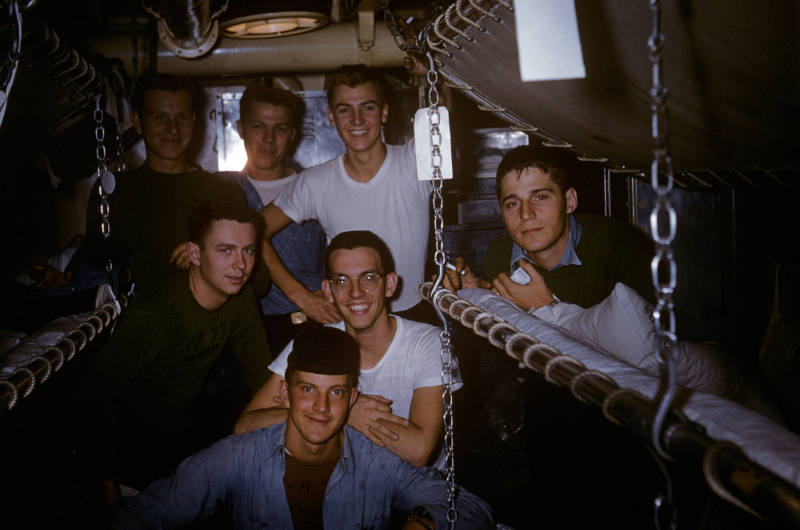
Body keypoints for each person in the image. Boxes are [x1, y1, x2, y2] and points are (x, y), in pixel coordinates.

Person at [107, 326, 494, 530]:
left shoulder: (376, 462)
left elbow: (472, 509)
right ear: (285, 393)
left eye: (336, 392)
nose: (322, 408)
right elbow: (142, 515)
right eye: (308, 389)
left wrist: (422, 525)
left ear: (352, 399)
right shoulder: (237, 458)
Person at [72, 198, 271, 501]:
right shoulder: (156, 315)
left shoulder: (238, 296)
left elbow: (260, 372)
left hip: (183, 442)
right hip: (128, 456)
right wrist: (110, 495)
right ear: (194, 253)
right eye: (226, 250)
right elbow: (94, 400)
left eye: (248, 251)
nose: (241, 265)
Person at [235, 230, 461, 469]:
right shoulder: (314, 341)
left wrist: (317, 415)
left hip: (416, 491)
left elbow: (418, 452)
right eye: (341, 281)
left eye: (369, 278)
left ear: (390, 284)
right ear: (328, 290)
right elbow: (245, 427)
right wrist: (345, 413)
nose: (355, 292)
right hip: (345, 486)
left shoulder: (429, 343)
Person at [258, 64, 435, 325]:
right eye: (345, 110)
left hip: (415, 317)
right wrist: (304, 298)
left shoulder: (414, 163)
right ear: (331, 116)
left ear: (384, 111)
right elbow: (253, 232)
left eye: (367, 107)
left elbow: (441, 117)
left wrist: (431, 74)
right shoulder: (316, 182)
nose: (357, 120)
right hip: (351, 321)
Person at [445, 144, 655, 310]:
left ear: (570, 201)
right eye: (513, 203)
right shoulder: (499, 257)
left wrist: (549, 307)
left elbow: (641, 349)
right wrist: (477, 296)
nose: (526, 214)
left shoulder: (620, 248)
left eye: (540, 197)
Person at [218, 84, 327, 354]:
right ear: (241, 128)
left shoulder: (318, 187)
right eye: (258, 126)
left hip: (307, 332)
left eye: (279, 129)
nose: (268, 139)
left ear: (292, 134)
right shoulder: (218, 192)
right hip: (234, 339)